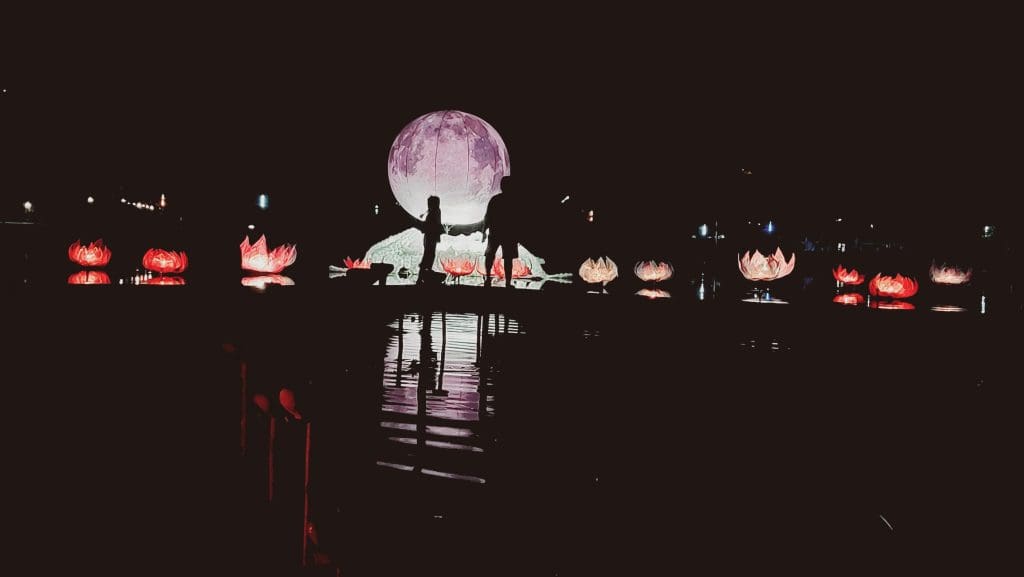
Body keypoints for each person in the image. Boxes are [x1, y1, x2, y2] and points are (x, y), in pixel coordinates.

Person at [482, 177, 520, 287]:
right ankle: (508, 283)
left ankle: (488, 278)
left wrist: (484, 231)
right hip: (509, 233)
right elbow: (518, 219)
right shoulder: (514, 201)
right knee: (508, 259)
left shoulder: (495, 199)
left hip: (495, 232)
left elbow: (487, 216)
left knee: (490, 255)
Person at [417, 195, 444, 283]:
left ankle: (424, 274)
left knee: (429, 255)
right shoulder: (435, 211)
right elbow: (435, 224)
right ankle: (423, 275)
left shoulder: (433, 212)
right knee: (429, 255)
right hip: (431, 237)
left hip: (430, 236)